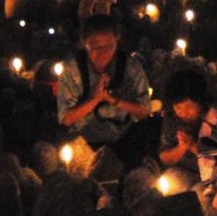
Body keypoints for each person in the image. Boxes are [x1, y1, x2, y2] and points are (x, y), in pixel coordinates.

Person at [55, 14, 152, 148]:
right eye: (95, 47)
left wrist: (114, 100)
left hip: (123, 140)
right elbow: (66, 119)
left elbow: (145, 111)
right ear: (84, 44)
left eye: (109, 46)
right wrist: (95, 99)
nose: (102, 53)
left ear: (116, 42)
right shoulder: (71, 70)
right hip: (83, 141)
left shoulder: (131, 67)